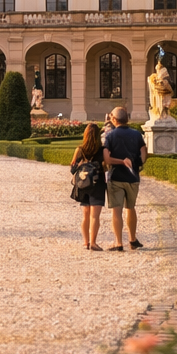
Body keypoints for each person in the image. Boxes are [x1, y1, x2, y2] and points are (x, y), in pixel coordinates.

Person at [101, 106, 146, 251]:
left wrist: (120, 161)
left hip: (116, 177)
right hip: (133, 177)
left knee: (117, 210)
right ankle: (132, 239)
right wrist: (137, 163)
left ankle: (118, 242)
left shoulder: (110, 135)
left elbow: (107, 159)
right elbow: (144, 153)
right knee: (131, 208)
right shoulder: (136, 134)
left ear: (114, 119)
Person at [69, 124, 107, 251]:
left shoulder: (79, 150)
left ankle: (85, 242)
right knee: (95, 216)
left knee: (85, 215)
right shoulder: (102, 150)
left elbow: (72, 169)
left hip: (83, 183)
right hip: (97, 183)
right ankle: (93, 243)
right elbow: (106, 166)